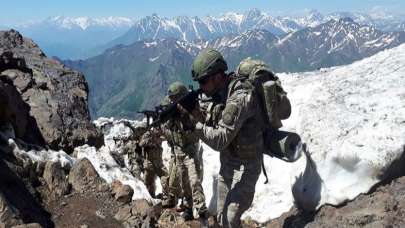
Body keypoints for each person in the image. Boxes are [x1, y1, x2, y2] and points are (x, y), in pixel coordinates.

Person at [188, 48, 265, 227]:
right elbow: (214, 121)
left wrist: (193, 124)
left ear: (217, 76)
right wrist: (194, 114)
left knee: (230, 218)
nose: (201, 86)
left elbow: (220, 140)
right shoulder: (219, 95)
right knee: (223, 218)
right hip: (229, 164)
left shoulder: (239, 97)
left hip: (247, 167)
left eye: (203, 80)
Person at [161, 82, 208, 221]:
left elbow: (196, 131)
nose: (173, 101)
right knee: (185, 184)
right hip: (179, 152)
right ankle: (188, 208)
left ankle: (201, 209)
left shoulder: (191, 110)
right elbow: (169, 134)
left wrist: (185, 118)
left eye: (175, 97)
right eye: (172, 98)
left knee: (194, 180)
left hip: (190, 151)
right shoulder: (172, 113)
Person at [139, 128, 169, 199]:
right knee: (148, 182)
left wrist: (157, 139)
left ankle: (166, 196)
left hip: (158, 162)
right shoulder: (147, 135)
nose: (157, 130)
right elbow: (141, 144)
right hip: (150, 162)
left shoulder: (160, 134)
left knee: (165, 176)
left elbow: (165, 138)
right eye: (155, 129)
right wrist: (150, 140)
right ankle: (149, 197)